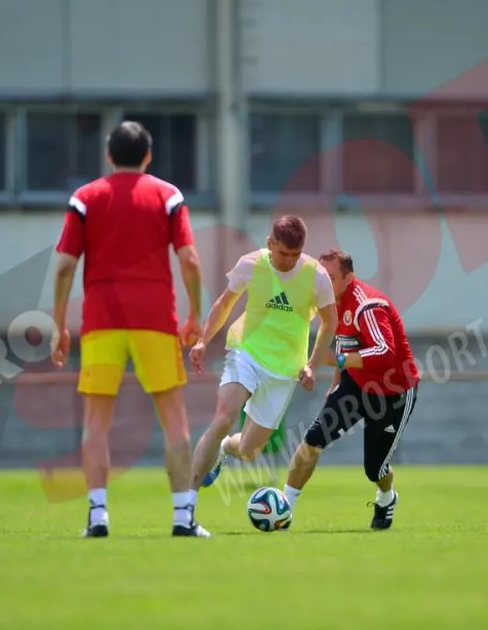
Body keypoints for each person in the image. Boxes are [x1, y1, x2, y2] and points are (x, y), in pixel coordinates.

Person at [50, 120, 211, 539]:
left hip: (102, 320)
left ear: (108, 155)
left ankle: (97, 516)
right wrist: (196, 314)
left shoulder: (85, 198)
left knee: (96, 421)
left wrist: (58, 324)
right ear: (148, 156)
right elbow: (191, 260)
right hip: (155, 318)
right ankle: (183, 518)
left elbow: (65, 266)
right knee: (173, 417)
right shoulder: (168, 196)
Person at [186, 215, 339, 526]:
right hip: (246, 353)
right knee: (223, 418)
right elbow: (225, 304)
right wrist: (203, 341)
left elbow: (330, 322)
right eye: (283, 253)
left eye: (295, 255)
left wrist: (312, 365)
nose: (289, 261)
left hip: (284, 371)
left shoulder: (317, 276)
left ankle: (224, 449)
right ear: (270, 244)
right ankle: (185, 507)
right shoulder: (251, 264)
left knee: (249, 451)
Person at [282, 248, 419, 530]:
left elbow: (385, 352)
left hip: (393, 392)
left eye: (330, 277)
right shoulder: (329, 302)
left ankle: (387, 497)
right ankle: (284, 509)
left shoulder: (367, 305)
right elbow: (344, 342)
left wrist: (339, 360)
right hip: (356, 385)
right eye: (320, 276)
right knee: (313, 440)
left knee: (374, 469)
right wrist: (335, 383)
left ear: (349, 278)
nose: (323, 283)